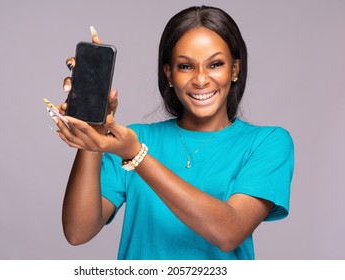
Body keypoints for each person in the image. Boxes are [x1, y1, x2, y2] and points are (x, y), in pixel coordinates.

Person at [51, 5, 294, 260]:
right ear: (169, 73)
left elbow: (229, 231)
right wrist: (93, 131)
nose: (201, 80)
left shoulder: (267, 143)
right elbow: (78, 232)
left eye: (215, 64)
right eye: (186, 66)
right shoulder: (132, 139)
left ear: (234, 69)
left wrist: (137, 157)